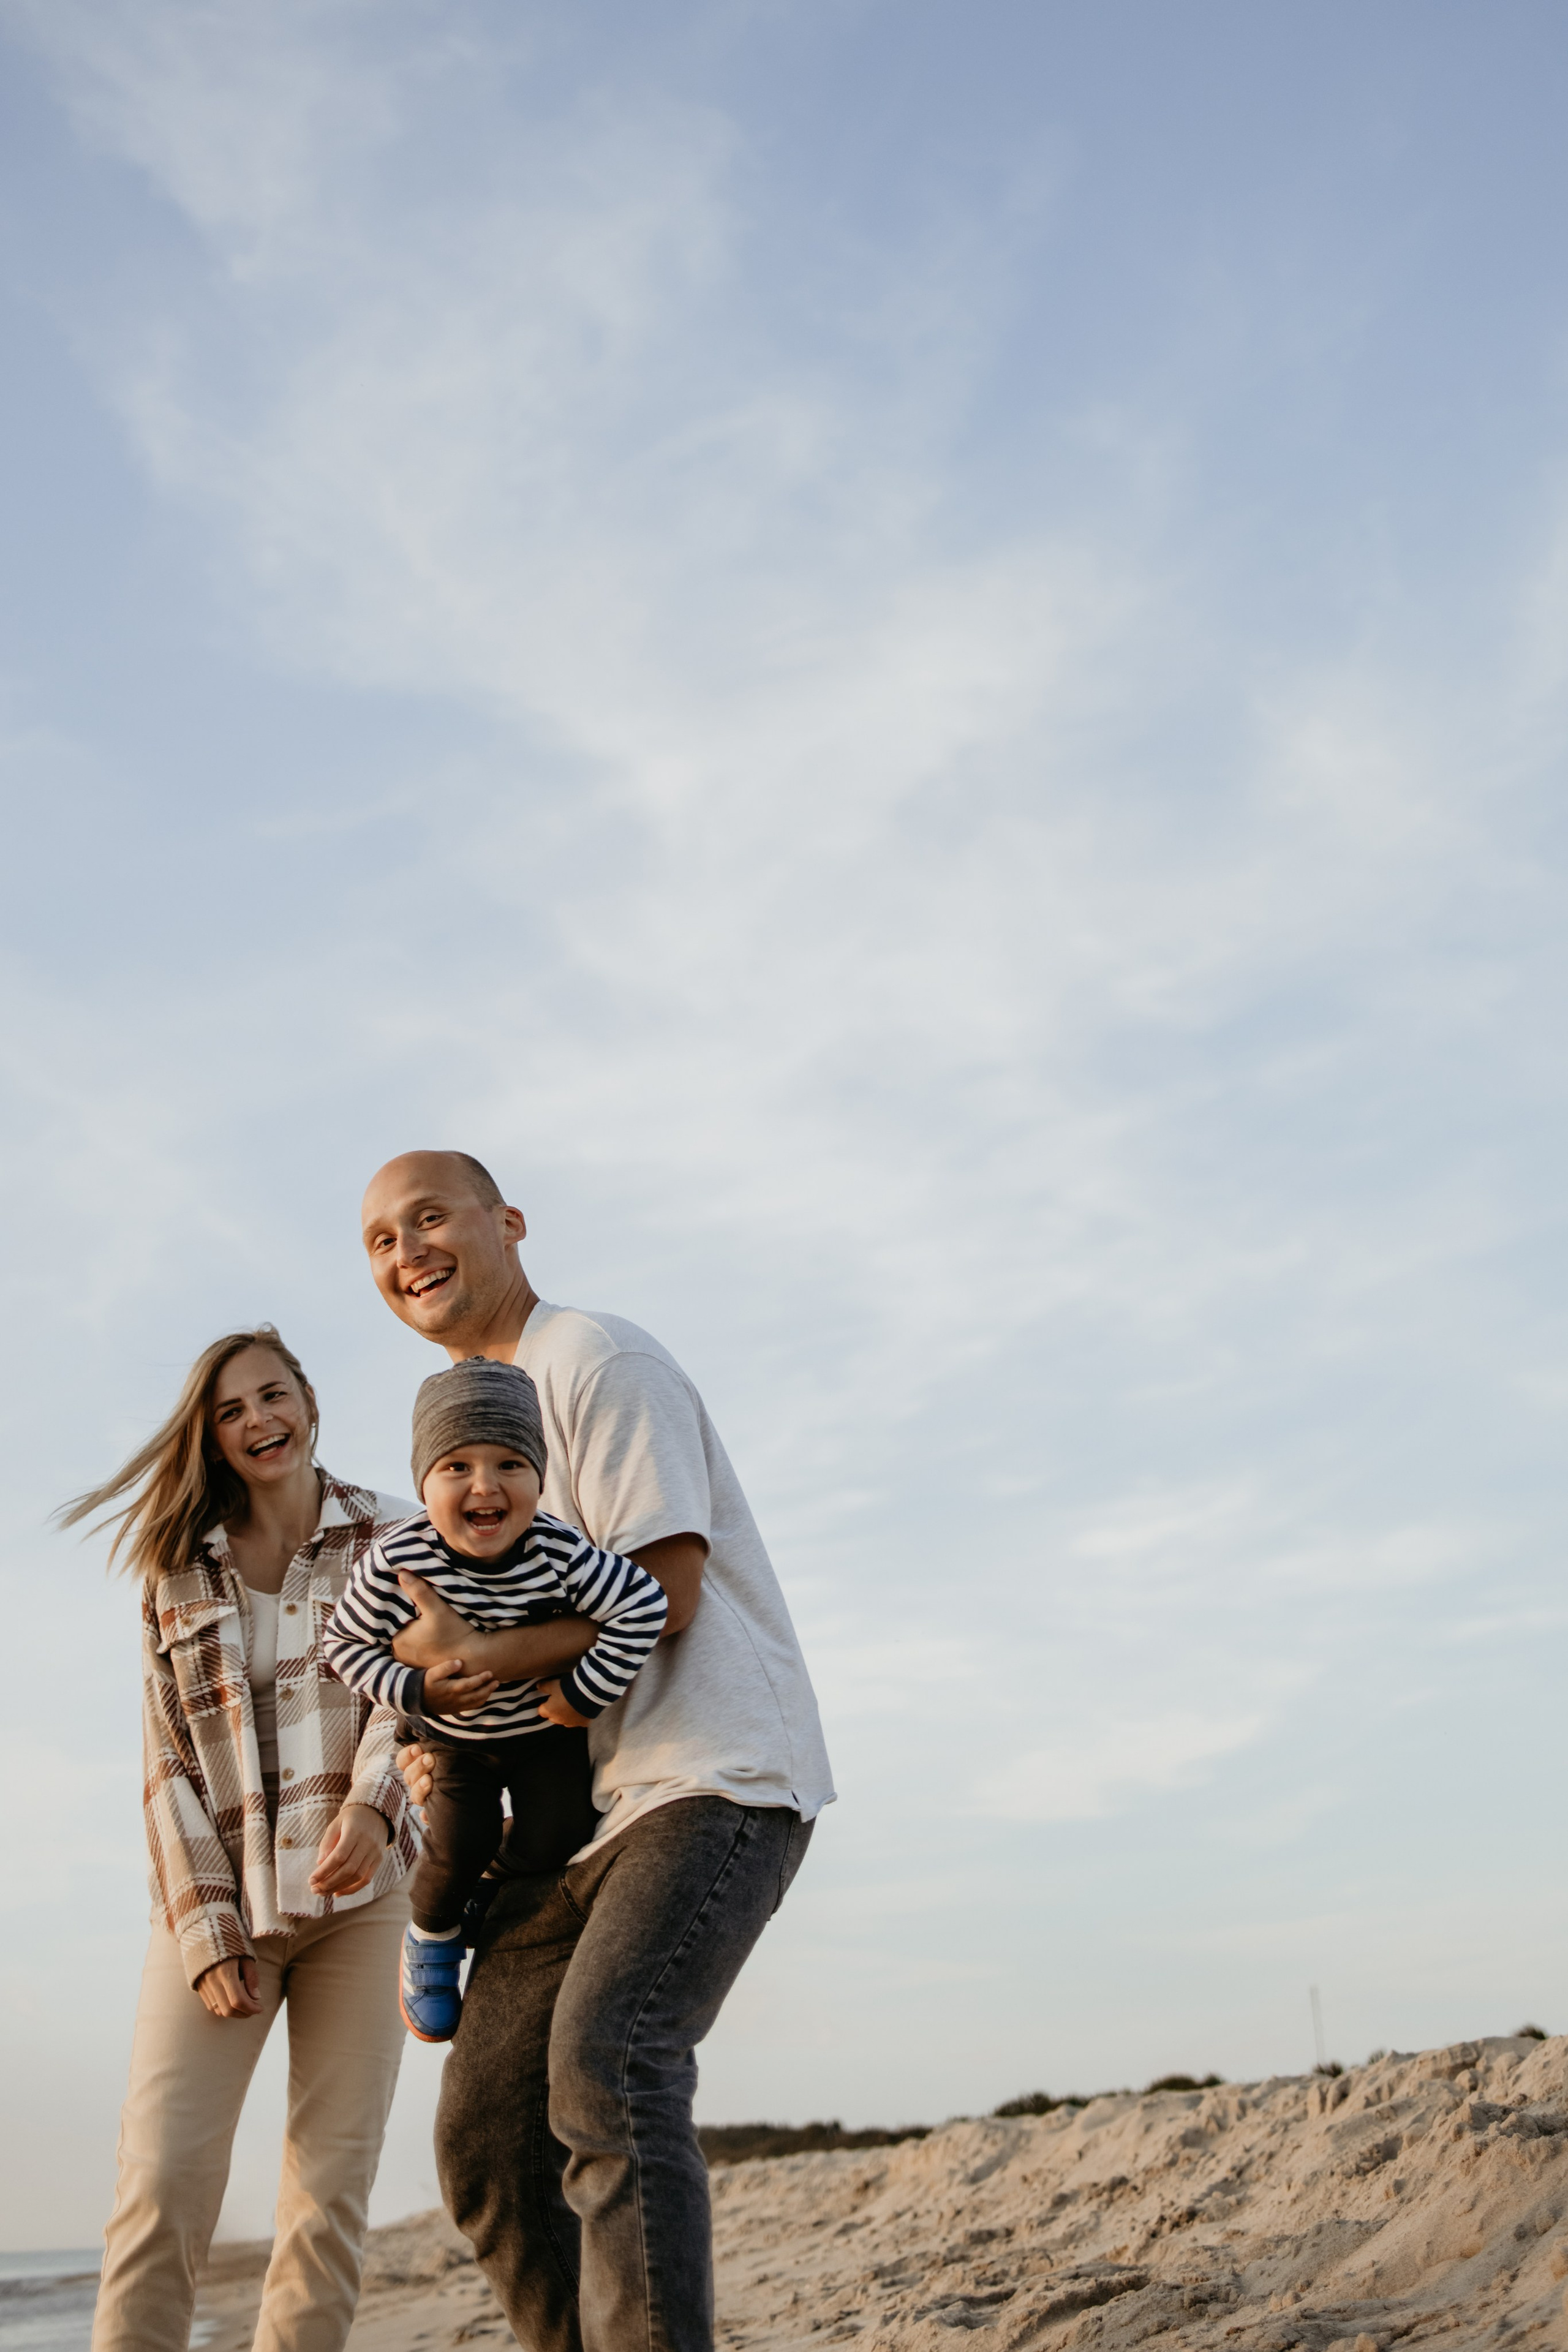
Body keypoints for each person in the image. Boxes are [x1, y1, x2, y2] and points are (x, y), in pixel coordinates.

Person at [360, 1150, 835, 2352]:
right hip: (568, 1822)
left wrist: (472, 1660)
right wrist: (432, 1718)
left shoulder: (591, 1359)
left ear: (507, 1223)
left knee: (608, 2060)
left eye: (428, 1217)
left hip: (707, 1777)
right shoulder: (470, 1440)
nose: (405, 1250)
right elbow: (419, 1649)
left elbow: (663, 1592)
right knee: (486, 2138)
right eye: (378, 1240)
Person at [62, 1325, 420, 2352]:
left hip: (366, 1899)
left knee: (329, 2190)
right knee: (163, 2179)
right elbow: (164, 1758)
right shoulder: (175, 1571)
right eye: (231, 1411)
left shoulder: (396, 1537)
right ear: (212, 1438)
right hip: (220, 1901)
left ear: (309, 1399)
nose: (259, 1420)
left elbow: (421, 1693)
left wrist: (373, 1803)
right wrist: (206, 1929)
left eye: (273, 1395)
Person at [323, 1354, 668, 2040]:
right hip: (453, 1740)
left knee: (564, 1833)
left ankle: (477, 1893)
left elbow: (644, 1604)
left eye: (510, 1464)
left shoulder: (559, 1551)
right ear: (424, 1482)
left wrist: (582, 1695)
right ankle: (431, 1934)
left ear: (540, 1477)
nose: (485, 1485)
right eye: (458, 1467)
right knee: (455, 1839)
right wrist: (417, 1690)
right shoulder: (398, 1560)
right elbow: (342, 1647)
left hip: (543, 1727)